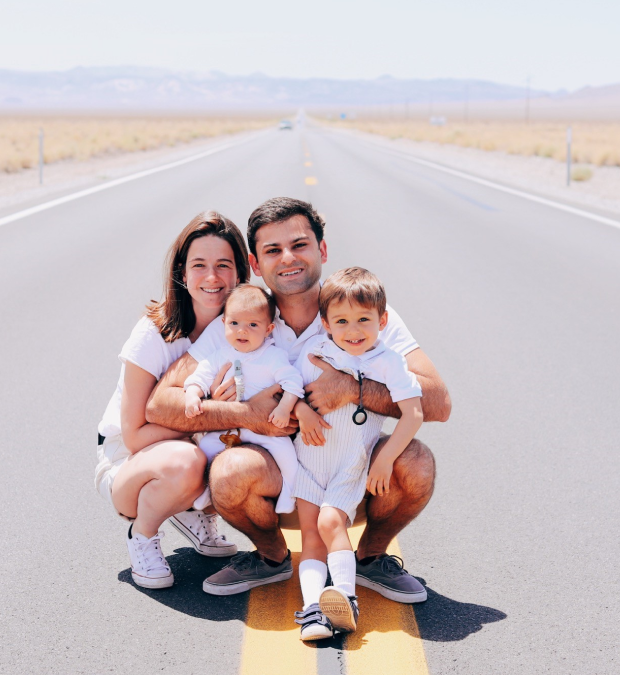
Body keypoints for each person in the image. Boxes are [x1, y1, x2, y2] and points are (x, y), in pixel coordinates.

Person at [146, 197, 451, 601]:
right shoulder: (244, 317)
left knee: (416, 461)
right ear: (256, 264)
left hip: (351, 471)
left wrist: (351, 388)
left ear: (321, 250)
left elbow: (438, 401)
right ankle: (271, 557)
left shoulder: (359, 310)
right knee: (229, 471)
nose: (288, 257)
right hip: (277, 480)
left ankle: (372, 558)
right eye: (273, 250)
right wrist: (245, 414)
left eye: (300, 244)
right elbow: (159, 404)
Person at [93, 211, 249, 589]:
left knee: (251, 458)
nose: (212, 278)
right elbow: (134, 437)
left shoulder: (245, 327)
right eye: (199, 265)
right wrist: (213, 411)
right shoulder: (154, 332)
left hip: (192, 449)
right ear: (181, 271)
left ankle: (188, 508)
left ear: (242, 272)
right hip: (129, 464)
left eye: (223, 265)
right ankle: (143, 534)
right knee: (186, 460)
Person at [291, 267, 424, 640]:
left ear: (382, 320)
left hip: (349, 463)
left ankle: (346, 600)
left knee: (331, 523)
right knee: (311, 537)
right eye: (342, 320)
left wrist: (383, 459)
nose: (353, 330)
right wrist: (300, 410)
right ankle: (315, 611)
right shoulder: (315, 351)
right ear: (325, 323)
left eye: (364, 319)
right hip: (308, 459)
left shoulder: (388, 361)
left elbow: (414, 412)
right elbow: (292, 391)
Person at [184, 283, 304, 514]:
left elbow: (293, 382)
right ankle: (207, 490)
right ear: (224, 324)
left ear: (268, 329)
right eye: (234, 323)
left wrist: (284, 407)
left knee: (287, 456)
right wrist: (192, 395)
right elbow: (199, 376)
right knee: (206, 449)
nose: (242, 331)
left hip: (265, 427)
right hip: (228, 427)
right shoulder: (221, 355)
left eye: (252, 325)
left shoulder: (273, 356)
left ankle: (290, 493)